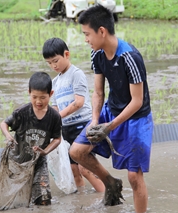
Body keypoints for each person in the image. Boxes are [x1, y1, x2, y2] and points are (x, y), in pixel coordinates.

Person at [69, 5, 154, 213]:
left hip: (136, 119)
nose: (85, 39)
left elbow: (137, 101)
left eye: (87, 34)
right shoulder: (96, 54)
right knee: (77, 151)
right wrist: (96, 121)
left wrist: (110, 127)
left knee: (134, 176)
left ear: (102, 31)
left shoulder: (130, 57)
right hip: (110, 111)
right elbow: (98, 93)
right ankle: (111, 182)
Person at [42, 37, 105, 192]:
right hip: (66, 129)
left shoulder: (76, 74)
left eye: (55, 61)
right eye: (49, 63)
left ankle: (107, 195)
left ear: (67, 54)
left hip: (82, 126)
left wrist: (58, 117)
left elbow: (79, 103)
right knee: (74, 171)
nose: (53, 65)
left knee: (85, 168)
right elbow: (55, 108)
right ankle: (81, 200)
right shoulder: (55, 82)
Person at [0, 71, 62, 206]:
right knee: (17, 200)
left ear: (51, 94)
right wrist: (8, 135)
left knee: (44, 198)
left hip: (39, 161)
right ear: (29, 92)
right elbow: (4, 124)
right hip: (18, 162)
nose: (38, 101)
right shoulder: (21, 113)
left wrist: (45, 151)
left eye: (43, 97)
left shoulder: (54, 117)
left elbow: (57, 139)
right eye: (34, 97)